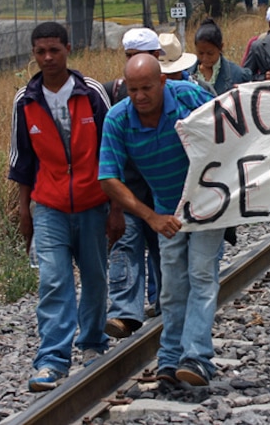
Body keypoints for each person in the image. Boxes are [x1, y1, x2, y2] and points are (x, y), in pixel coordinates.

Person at [99, 54, 223, 387]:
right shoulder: (118, 118)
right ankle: (169, 359)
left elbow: (228, 124)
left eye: (147, 88)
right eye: (133, 89)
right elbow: (109, 177)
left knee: (201, 274)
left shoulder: (189, 96)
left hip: (209, 201)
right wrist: (151, 217)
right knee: (172, 286)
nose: (140, 96)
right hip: (167, 208)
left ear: (163, 82)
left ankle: (196, 358)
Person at [8, 21, 113, 391]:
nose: (48, 58)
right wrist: (25, 211)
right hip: (49, 205)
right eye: (41, 52)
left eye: (55, 49)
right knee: (53, 280)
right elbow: (22, 162)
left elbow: (112, 153)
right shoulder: (26, 100)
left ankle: (93, 343)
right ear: (33, 54)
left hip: (92, 202)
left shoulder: (93, 94)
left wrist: (116, 208)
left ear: (69, 48)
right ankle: (51, 359)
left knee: (96, 278)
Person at [103, 29, 165, 339]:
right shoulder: (111, 95)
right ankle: (124, 312)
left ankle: (165, 302)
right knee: (126, 245)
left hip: (165, 189)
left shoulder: (179, 93)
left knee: (163, 247)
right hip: (128, 191)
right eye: (129, 58)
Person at [189, 18, 253, 95]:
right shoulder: (187, 74)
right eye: (200, 53)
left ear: (221, 47)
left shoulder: (238, 75)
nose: (205, 58)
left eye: (210, 53)